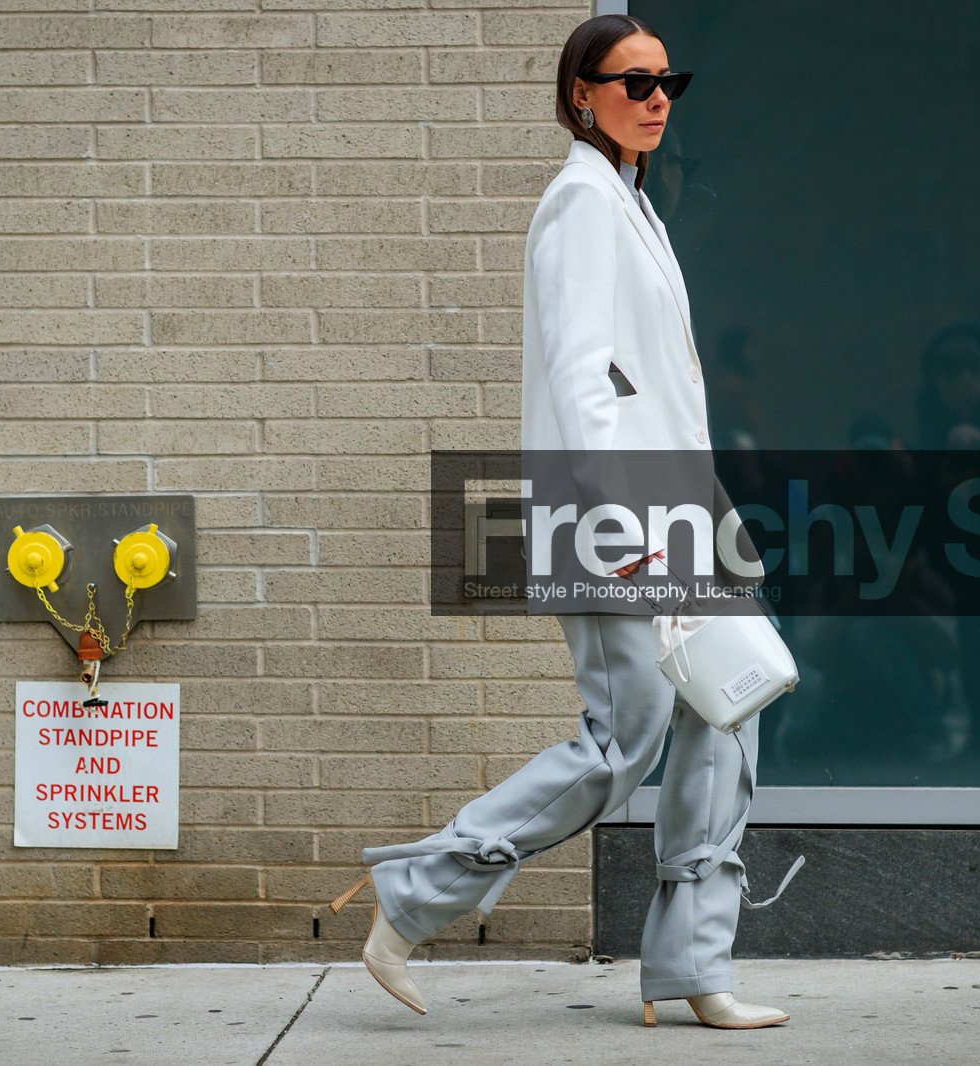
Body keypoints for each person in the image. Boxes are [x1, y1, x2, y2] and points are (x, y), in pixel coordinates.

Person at [328, 14, 796, 1031]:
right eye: (633, 83)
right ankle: (415, 893)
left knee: (727, 711)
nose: (657, 97)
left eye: (668, 80)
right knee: (623, 738)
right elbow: (583, 376)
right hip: (615, 516)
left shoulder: (628, 199)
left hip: (679, 512)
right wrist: (626, 526)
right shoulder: (581, 201)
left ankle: (691, 967)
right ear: (580, 94)